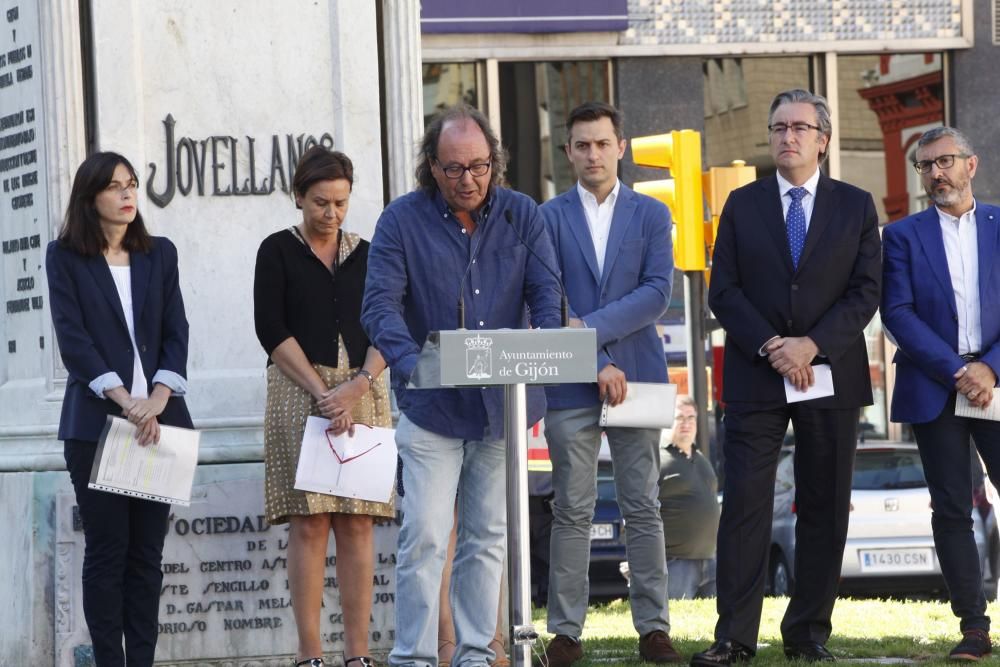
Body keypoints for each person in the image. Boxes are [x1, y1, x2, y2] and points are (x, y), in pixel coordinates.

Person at [361, 104, 562, 667]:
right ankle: (415, 658)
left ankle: (477, 654)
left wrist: (546, 347)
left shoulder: (523, 214)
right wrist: (413, 365)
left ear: (494, 162)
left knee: (487, 537)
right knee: (424, 537)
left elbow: (547, 296)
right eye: (453, 169)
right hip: (432, 410)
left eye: (479, 166)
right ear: (431, 166)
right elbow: (379, 308)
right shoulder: (400, 221)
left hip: (503, 407)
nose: (468, 179)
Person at [693, 89, 881, 666]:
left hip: (831, 373)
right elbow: (722, 290)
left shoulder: (855, 205)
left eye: (800, 127)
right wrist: (776, 345)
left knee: (824, 504)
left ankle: (807, 633)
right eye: (778, 127)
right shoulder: (742, 205)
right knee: (746, 505)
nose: (787, 136)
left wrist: (812, 344)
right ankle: (734, 639)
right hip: (757, 374)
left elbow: (866, 290)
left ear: (823, 139)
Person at [539, 101, 677, 666]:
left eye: (602, 143)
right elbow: (546, 301)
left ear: (621, 147)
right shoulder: (546, 218)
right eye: (582, 145)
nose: (592, 153)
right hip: (570, 382)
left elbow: (657, 293)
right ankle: (566, 633)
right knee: (571, 508)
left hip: (638, 375)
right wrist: (592, 361)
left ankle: (654, 629)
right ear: (568, 151)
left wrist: (588, 334)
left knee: (642, 506)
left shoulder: (650, 214)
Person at [47, 151, 193, 666]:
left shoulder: (160, 253)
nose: (128, 194)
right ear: (91, 198)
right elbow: (74, 340)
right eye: (115, 186)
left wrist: (156, 399)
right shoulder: (65, 256)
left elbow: (177, 332)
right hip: (97, 426)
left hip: (161, 424)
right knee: (108, 554)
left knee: (147, 559)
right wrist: (125, 401)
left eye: (132, 184)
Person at [253, 146, 391, 667]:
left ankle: (358, 656)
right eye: (320, 203)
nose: (331, 214)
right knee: (309, 523)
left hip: (363, 391)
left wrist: (357, 385)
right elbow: (271, 329)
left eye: (340, 203)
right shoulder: (276, 250)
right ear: (298, 197)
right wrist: (322, 392)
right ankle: (309, 656)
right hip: (298, 390)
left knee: (358, 523)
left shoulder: (370, 252)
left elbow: (388, 324)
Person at [881, 126, 1000, 661]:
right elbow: (898, 315)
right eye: (926, 166)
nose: (936, 174)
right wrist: (959, 372)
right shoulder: (903, 236)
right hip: (937, 386)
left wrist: (991, 370)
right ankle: (974, 626)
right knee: (952, 507)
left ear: (970, 165)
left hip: (998, 380)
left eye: (945, 162)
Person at [659, 394, 719, 600]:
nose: (686, 423)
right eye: (680, 418)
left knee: (711, 625)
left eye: (691, 417)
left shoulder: (700, 458)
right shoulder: (657, 457)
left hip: (710, 559)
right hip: (675, 562)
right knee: (676, 624)